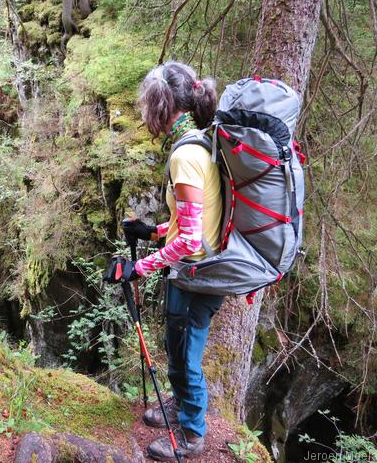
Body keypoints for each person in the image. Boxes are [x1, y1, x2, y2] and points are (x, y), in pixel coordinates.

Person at [108, 61, 224, 461]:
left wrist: (139, 267)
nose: (145, 113)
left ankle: (193, 435)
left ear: (162, 105)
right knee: (175, 347)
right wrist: (152, 231)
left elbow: (192, 237)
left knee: (187, 355)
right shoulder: (195, 143)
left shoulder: (186, 156)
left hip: (197, 276)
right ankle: (180, 404)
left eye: (147, 104)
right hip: (189, 272)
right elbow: (188, 221)